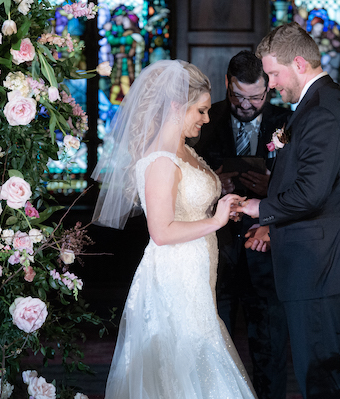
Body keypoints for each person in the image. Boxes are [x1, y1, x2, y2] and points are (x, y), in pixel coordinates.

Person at [92, 60, 256, 399]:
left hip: (197, 267)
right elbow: (161, 232)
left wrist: (225, 208)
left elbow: (189, 207)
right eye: (201, 110)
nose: (206, 118)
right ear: (175, 106)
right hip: (174, 273)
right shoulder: (161, 160)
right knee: (183, 361)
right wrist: (215, 221)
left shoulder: (186, 152)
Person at [237, 23, 340, 399]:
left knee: (322, 381)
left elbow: (311, 193)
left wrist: (258, 207)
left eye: (273, 74)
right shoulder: (319, 105)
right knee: (321, 376)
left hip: (321, 268)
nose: (270, 84)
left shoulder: (322, 112)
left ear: (298, 63)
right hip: (320, 266)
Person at [190, 50, 290, 399]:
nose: (247, 105)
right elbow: (184, 180)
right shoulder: (204, 119)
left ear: (268, 89)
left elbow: (305, 188)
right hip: (218, 253)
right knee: (216, 351)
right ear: (227, 85)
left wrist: (271, 190)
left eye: (256, 97)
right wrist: (213, 183)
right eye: (238, 96)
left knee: (272, 354)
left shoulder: (288, 122)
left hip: (269, 253)